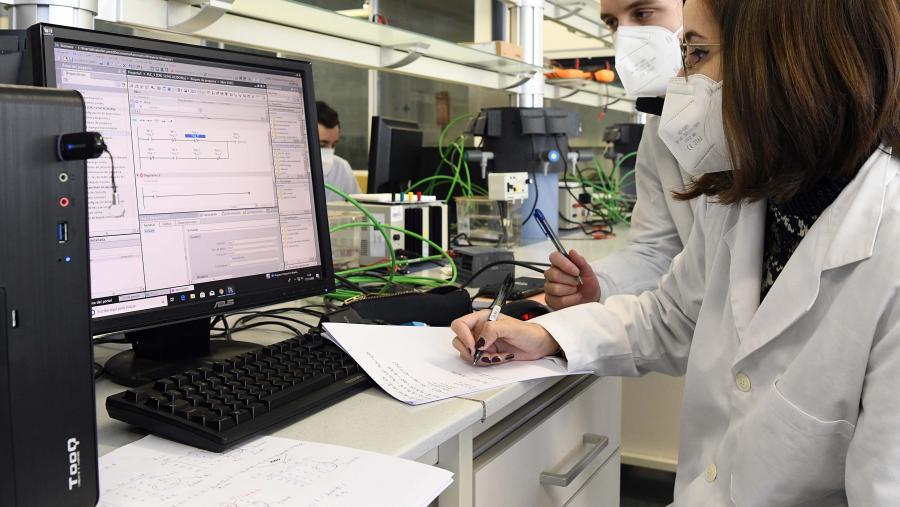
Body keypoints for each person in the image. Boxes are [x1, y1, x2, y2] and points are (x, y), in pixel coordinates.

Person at [453, 0, 900, 503]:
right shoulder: (744, 199)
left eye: (696, 52)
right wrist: (542, 336)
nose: (682, 79)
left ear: (785, 61)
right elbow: (668, 318)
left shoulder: (887, 249)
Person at [544, 0, 694, 309]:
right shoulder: (660, 126)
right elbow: (655, 252)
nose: (624, 35)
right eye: (613, 23)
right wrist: (597, 286)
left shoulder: (761, 115)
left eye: (642, 13)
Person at [316, 100, 361, 201]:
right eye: (322, 145)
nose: (329, 151)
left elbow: (360, 211)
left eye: (334, 144)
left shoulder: (342, 168)